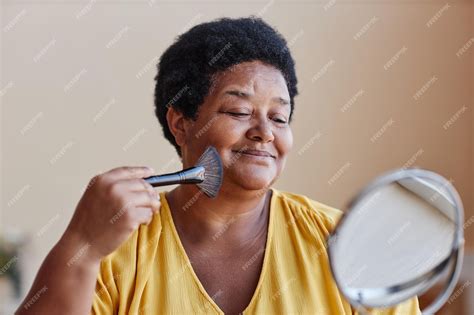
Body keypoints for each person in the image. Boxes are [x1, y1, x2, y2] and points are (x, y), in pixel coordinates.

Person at [16, 17, 421, 315]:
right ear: (181, 123)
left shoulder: (347, 247)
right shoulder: (115, 253)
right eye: (239, 111)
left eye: (280, 118)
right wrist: (81, 248)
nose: (265, 132)